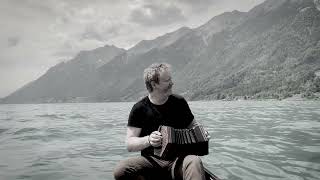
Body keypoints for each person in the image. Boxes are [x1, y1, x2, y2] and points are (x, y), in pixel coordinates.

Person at [113, 63, 209, 180]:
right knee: (121, 170)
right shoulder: (139, 109)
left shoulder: (179, 102)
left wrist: (202, 133)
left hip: (178, 161)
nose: (172, 83)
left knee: (194, 161)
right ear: (154, 84)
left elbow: (194, 125)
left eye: (171, 79)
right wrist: (149, 140)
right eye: (167, 80)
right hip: (151, 162)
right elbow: (129, 144)